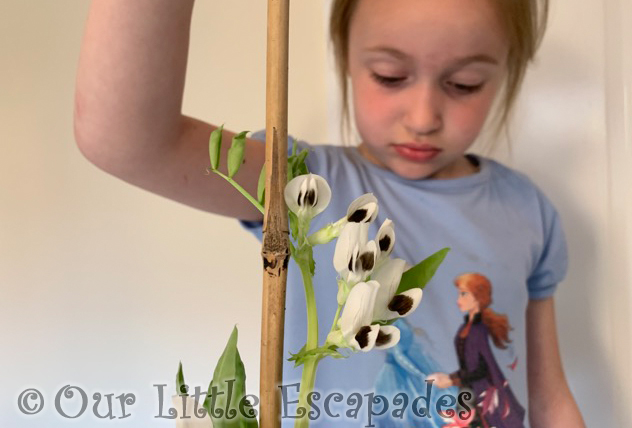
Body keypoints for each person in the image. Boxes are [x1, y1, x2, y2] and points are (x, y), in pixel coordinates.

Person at [74, 0, 585, 426]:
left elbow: (548, 396)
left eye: (465, 84)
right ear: (345, 56)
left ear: (508, 70)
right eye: (389, 76)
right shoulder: (305, 183)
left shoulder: (527, 209)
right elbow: (124, 138)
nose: (424, 118)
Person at [429, 273, 527, 427]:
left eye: (463, 294)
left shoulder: (479, 331)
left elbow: (482, 369)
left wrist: (451, 380)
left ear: (477, 296)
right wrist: (449, 378)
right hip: (467, 391)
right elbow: (469, 366)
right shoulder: (465, 327)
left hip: (480, 395)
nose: (458, 300)